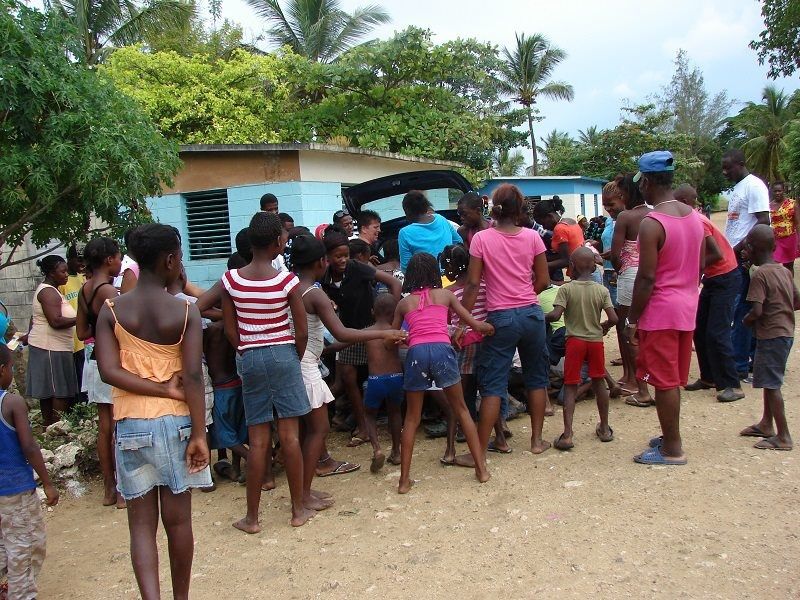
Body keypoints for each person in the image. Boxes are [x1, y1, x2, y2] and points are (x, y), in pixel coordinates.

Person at [94, 224, 211, 599]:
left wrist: (154, 388)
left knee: (141, 529)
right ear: (170, 259)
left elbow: (109, 371)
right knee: (179, 524)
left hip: (132, 427)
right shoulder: (184, 311)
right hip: (177, 423)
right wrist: (199, 434)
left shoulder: (111, 310)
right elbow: (192, 376)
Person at [288, 233, 405, 490]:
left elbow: (332, 339)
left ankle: (307, 485)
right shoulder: (314, 293)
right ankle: (306, 490)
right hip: (307, 363)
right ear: (322, 261)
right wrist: (383, 332)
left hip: (294, 360)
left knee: (303, 428)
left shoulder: (288, 286)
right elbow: (340, 333)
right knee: (318, 428)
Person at [220, 212, 313, 531]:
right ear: (277, 242)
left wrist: (245, 351)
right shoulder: (287, 281)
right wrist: (293, 356)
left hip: (250, 356)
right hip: (284, 354)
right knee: (290, 436)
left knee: (258, 440)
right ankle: (298, 510)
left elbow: (230, 330)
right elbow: (300, 330)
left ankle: (252, 518)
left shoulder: (230, 279)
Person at [625, 151, 705, 466]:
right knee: (672, 378)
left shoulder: (652, 223)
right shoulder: (694, 216)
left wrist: (632, 318)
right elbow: (700, 265)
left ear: (646, 182)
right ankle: (670, 437)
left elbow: (646, 278)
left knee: (664, 381)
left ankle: (672, 449)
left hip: (661, 312)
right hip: (686, 307)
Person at [460, 183, 552, 454]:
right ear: (520, 209)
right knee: (536, 378)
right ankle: (536, 442)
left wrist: (464, 322)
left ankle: (478, 452)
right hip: (532, 315)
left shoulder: (481, 239)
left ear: (493, 208)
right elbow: (544, 280)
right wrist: (524, 297)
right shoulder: (533, 238)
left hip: (500, 318)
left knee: (492, 385)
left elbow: (473, 285)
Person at [392, 252, 493, 494]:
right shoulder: (446, 295)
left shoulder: (404, 304)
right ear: (434, 273)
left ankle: (404, 481)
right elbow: (471, 322)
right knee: (461, 409)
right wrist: (488, 327)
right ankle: (481, 470)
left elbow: (392, 338)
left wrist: (404, 342)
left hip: (416, 354)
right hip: (442, 350)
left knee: (412, 418)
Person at [321, 232, 402, 447]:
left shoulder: (358, 268)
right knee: (347, 376)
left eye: (345, 255)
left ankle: (382, 420)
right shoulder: (325, 277)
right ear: (327, 257)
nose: (342, 260)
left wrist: (390, 321)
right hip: (348, 330)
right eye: (337, 256)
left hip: (371, 326)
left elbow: (394, 284)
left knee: (379, 373)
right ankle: (362, 424)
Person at [675, 185, 745, 403]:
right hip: (714, 280)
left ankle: (732, 384)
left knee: (717, 332)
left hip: (725, 277)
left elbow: (714, 253)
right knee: (700, 328)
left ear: (685, 203)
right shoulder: (690, 220)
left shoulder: (696, 221)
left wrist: (695, 270)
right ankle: (709, 377)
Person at [0, 344, 59, 600]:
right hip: (14, 490)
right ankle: (21, 594)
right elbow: (29, 446)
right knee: (25, 545)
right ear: (2, 370)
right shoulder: (12, 402)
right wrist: (47, 482)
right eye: (12, 366)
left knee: (3, 544)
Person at [546, 248, 617, 450]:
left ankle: (567, 434)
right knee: (598, 382)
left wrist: (539, 317)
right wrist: (604, 327)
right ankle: (604, 427)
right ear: (594, 266)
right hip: (595, 342)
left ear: (572, 266)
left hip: (574, 341)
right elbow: (613, 318)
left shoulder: (566, 290)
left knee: (570, 385)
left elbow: (555, 315)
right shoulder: (601, 290)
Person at [76, 236, 125, 508]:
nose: (120, 262)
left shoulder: (85, 290)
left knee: (104, 427)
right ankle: (121, 491)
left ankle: (108, 487)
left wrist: (98, 331)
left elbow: (82, 332)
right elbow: (125, 327)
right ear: (109, 260)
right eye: (118, 257)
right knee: (118, 426)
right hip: (112, 362)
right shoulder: (110, 293)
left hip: (93, 362)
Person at [740, 225, 799, 451]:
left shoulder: (760, 275)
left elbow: (756, 311)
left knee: (772, 385)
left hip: (770, 335)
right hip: (785, 333)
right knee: (769, 381)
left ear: (752, 249)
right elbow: (797, 300)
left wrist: (745, 322)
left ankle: (783, 436)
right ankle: (766, 423)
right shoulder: (784, 270)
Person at [722, 149, 770, 382]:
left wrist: (739, 248)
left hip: (741, 258)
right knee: (741, 308)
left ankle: (740, 363)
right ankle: (747, 358)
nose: (724, 171)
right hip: (733, 256)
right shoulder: (738, 187)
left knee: (740, 309)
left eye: (728, 167)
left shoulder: (754, 186)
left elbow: (763, 222)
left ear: (741, 164)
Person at [610, 174, 654, 407]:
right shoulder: (654, 213)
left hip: (630, 276)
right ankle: (642, 377)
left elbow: (616, 255)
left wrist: (620, 268)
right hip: (651, 275)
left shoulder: (626, 217)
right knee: (646, 328)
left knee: (628, 329)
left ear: (626, 194)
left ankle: (635, 381)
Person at [26, 255, 77, 426]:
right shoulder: (48, 292)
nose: (66, 274)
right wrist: (82, 318)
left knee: (52, 391)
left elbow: (33, 318)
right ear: (51, 273)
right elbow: (55, 321)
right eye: (62, 271)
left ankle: (49, 426)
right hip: (49, 347)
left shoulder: (52, 290)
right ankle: (56, 427)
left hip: (53, 346)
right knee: (57, 391)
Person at [362, 294, 406, 472]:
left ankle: (377, 449)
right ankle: (396, 452)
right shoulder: (396, 331)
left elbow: (343, 342)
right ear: (394, 313)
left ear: (373, 312)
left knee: (369, 415)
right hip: (396, 377)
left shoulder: (367, 332)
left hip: (375, 380)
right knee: (395, 413)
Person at [398, 190, 461, 272]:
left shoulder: (404, 233)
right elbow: (458, 242)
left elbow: (406, 268)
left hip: (428, 281)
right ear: (426, 206)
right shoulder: (441, 219)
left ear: (407, 212)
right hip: (451, 274)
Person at [59, 245, 87, 405]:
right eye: (78, 260)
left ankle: (83, 404)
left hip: (83, 336)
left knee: (83, 372)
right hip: (70, 337)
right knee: (74, 375)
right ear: (69, 259)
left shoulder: (81, 278)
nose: (81, 264)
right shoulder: (62, 281)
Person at [533, 196, 584, 277]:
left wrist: (541, 266)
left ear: (550, 216)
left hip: (579, 274)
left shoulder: (559, 229)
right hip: (585, 269)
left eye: (543, 224)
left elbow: (566, 260)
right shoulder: (570, 221)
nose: (544, 228)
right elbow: (570, 251)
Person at [769, 181, 800, 272]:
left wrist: (799, 240)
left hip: (790, 239)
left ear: (784, 190)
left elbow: (798, 223)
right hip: (775, 240)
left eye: (779, 191)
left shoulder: (792, 204)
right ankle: (778, 285)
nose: (777, 193)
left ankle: (789, 285)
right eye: (775, 191)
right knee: (773, 265)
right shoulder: (769, 206)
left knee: (789, 266)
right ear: (772, 192)